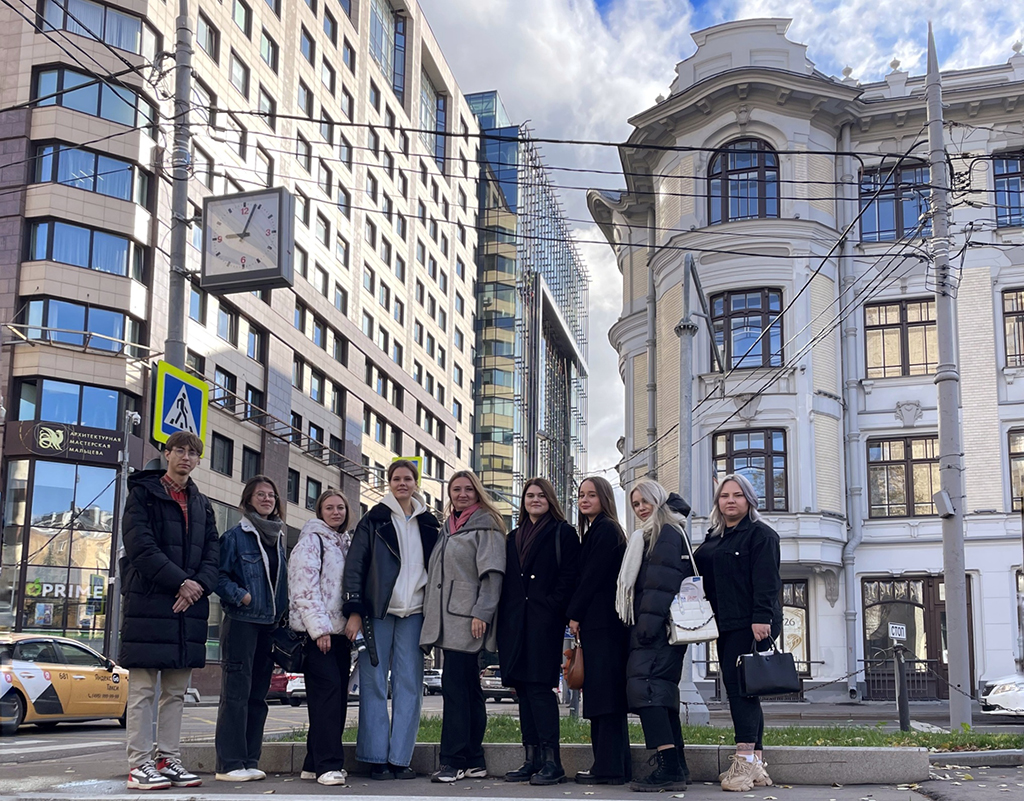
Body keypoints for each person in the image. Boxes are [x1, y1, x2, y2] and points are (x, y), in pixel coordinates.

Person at [119, 431, 219, 791]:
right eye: (179, 450)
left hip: (187, 609)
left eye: (193, 453)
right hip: (149, 603)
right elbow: (140, 547)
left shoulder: (202, 504)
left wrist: (196, 587)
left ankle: (168, 759)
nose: (186, 457)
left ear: (198, 460)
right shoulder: (143, 494)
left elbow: (213, 554)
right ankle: (139, 765)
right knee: (143, 691)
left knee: (175, 693)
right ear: (167, 453)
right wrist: (181, 582)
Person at [343, 460, 440, 779]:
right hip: (377, 613)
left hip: (415, 613)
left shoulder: (429, 523)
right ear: (389, 482)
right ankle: (375, 758)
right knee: (373, 684)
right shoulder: (374, 520)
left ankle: (400, 758)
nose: (402, 483)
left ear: (415, 482)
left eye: (407, 478)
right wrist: (354, 610)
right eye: (396, 478)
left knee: (409, 684)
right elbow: (355, 566)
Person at [693, 474, 782, 793]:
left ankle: (743, 764)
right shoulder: (715, 537)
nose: (730, 500)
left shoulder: (761, 535)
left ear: (749, 500)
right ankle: (756, 763)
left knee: (740, 692)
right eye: (724, 496)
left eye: (737, 495)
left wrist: (761, 618)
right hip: (725, 623)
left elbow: (768, 581)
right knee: (746, 690)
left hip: (751, 623)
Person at [420, 471, 507, 783]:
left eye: (468, 489)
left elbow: (492, 574)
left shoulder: (487, 524)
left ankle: (452, 761)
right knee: (468, 690)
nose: (462, 494)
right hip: (449, 620)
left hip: (470, 619)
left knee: (456, 689)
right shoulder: (449, 526)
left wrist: (482, 613)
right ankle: (474, 759)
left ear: (477, 492)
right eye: (456, 489)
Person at [497, 477, 580, 786]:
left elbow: (569, 575)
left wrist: (552, 607)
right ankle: (530, 758)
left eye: (541, 495)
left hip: (544, 621)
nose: (535, 500)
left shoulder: (562, 532)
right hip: (514, 623)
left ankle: (552, 761)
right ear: (523, 501)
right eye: (530, 495)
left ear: (550, 500)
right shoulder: (513, 536)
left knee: (539, 689)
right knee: (522, 689)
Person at [616, 479, 692, 793]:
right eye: (635, 504)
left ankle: (668, 767)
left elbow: (661, 584)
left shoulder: (665, 533)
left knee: (648, 695)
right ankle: (678, 766)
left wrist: (646, 627)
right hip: (658, 629)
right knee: (660, 695)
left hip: (655, 630)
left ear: (658, 500)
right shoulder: (655, 533)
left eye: (645, 501)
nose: (641, 508)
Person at [214, 476, 288, 782]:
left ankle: (250, 759)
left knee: (258, 696)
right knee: (236, 695)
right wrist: (241, 596)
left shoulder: (277, 538)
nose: (267, 499)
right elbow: (217, 576)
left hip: (268, 626)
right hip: (242, 623)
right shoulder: (235, 536)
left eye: (271, 495)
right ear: (248, 500)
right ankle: (229, 764)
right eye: (261, 494)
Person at [567, 477, 632, 786]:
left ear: (604, 498)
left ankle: (607, 768)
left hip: (603, 625)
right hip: (605, 625)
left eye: (591, 495)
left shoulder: (605, 529)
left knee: (603, 698)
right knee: (606, 697)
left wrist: (574, 613)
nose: (584, 499)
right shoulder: (599, 529)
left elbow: (591, 577)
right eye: (581, 495)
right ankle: (616, 766)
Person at [289, 490, 354, 787]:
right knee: (327, 698)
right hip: (319, 634)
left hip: (340, 634)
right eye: (329, 507)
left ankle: (313, 763)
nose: (336, 512)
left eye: (340, 507)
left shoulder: (344, 542)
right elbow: (304, 589)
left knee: (334, 699)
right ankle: (328, 765)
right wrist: (320, 629)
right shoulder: (311, 541)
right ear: (320, 511)